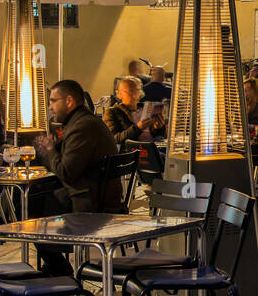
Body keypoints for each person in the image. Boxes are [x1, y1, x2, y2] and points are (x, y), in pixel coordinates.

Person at [32, 79, 120, 274]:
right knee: (37, 196)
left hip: (89, 203)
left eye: (54, 101)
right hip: (94, 194)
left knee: (33, 209)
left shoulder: (82, 127)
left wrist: (48, 151)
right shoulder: (83, 122)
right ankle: (55, 263)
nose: (51, 107)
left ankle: (57, 265)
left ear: (69, 101)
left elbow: (66, 171)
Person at [102, 76, 165, 147]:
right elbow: (114, 139)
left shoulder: (146, 109)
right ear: (119, 94)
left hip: (154, 146)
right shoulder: (112, 112)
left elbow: (159, 136)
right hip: (134, 151)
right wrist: (138, 128)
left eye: (136, 90)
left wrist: (158, 128)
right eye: (129, 91)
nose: (133, 94)